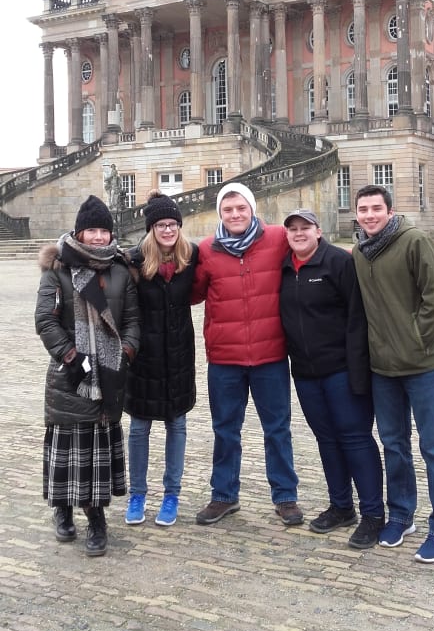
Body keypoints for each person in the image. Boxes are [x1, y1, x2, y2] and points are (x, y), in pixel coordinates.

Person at [352, 185, 434, 564]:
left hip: (423, 365)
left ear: (389, 210)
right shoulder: (359, 252)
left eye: (375, 208)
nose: (369, 215)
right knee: (394, 445)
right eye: (363, 209)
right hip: (383, 368)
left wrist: (417, 340)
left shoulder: (414, 240)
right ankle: (401, 514)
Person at [192, 182, 302, 527]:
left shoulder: (277, 238)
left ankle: (285, 496)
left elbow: (313, 250)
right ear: (219, 214)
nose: (235, 214)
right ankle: (224, 495)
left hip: (270, 354)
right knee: (225, 430)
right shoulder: (207, 249)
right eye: (228, 209)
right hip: (224, 357)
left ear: (252, 209)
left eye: (241, 208)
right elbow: (189, 292)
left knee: (277, 429)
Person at [34, 195, 139, 557]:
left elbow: (132, 321)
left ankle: (97, 519)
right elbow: (45, 320)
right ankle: (62, 511)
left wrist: (124, 352)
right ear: (80, 232)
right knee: (65, 452)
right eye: (91, 230)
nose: (98, 237)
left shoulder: (122, 270)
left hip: (108, 373)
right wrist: (70, 356)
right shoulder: (58, 269)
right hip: (69, 373)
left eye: (103, 230)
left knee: (97, 454)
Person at [279, 210, 384, 549]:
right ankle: (341, 506)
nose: (298, 233)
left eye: (304, 228)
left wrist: (358, 370)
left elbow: (358, 318)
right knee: (327, 440)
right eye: (292, 229)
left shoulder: (338, 262)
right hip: (307, 374)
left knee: (355, 439)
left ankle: (372, 515)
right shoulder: (283, 268)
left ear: (318, 231)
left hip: (341, 370)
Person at [123, 191, 198, 528]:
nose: (168, 230)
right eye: (161, 224)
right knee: (139, 427)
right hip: (145, 357)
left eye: (173, 224)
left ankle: (171, 495)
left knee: (176, 425)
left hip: (179, 354)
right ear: (151, 228)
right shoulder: (134, 262)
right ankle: (137, 493)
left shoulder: (191, 257)